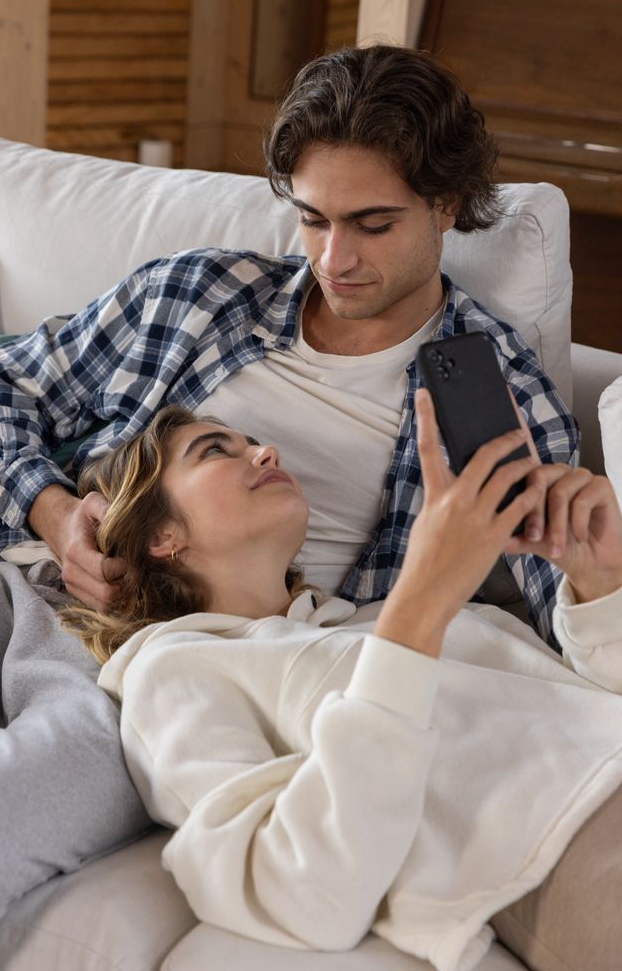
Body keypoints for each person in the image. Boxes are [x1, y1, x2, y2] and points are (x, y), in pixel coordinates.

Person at [0, 44, 577, 649]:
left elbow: (560, 601)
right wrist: (52, 513)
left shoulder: (494, 389)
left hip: (233, 673)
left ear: (447, 206)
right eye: (313, 220)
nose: (333, 258)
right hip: (12, 596)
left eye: (372, 225)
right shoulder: (201, 294)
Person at [57, 399, 622, 971]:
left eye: (250, 441)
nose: (264, 451)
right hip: (571, 838)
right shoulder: (176, 668)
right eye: (215, 451)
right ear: (162, 536)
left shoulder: (382, 618)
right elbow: (300, 889)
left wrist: (602, 584)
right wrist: (419, 607)